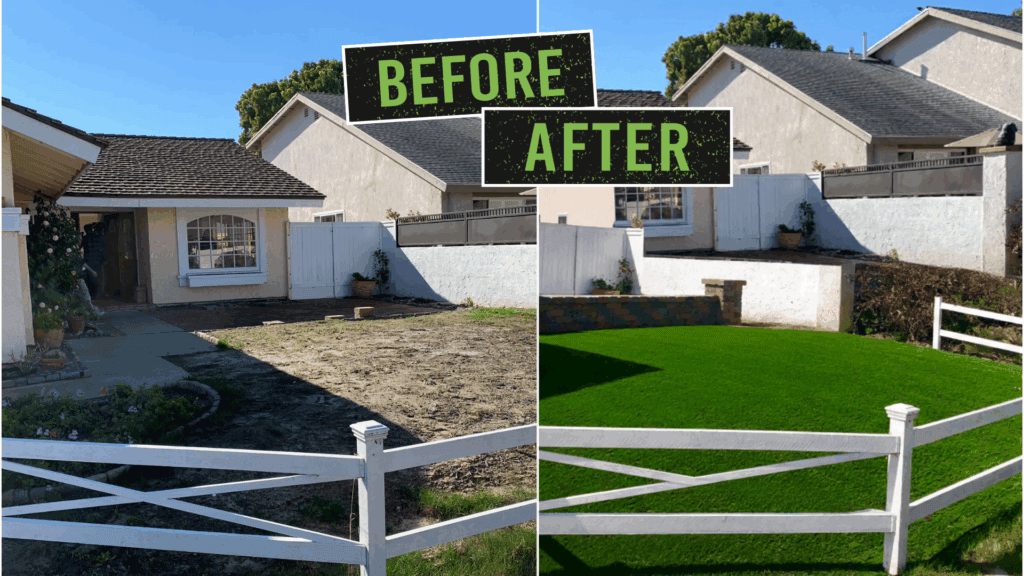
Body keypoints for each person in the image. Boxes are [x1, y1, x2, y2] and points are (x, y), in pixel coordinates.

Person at [82, 222, 107, 298]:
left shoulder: (84, 238)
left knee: (89, 278)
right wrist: (104, 259)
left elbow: (79, 247)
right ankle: (97, 293)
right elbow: (103, 249)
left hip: (88, 260)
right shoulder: (97, 237)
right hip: (97, 259)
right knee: (97, 277)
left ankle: (91, 294)